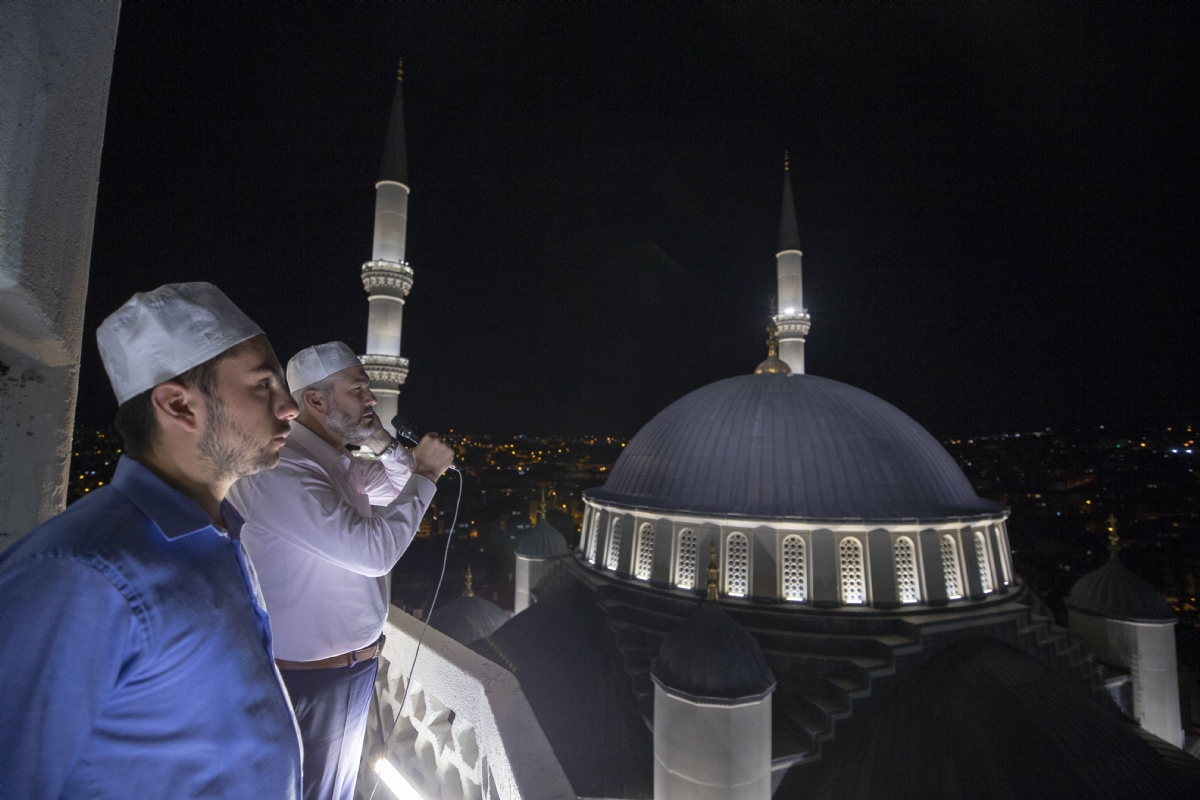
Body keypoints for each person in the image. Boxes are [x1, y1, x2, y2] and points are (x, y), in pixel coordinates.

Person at [0, 282, 303, 799]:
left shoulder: (210, 536)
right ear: (179, 406)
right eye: (263, 386)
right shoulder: (84, 573)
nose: (289, 407)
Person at [227, 341, 454, 800]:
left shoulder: (335, 464)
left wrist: (383, 445)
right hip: (306, 681)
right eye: (358, 389)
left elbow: (394, 486)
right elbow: (373, 551)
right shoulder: (283, 469)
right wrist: (427, 474)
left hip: (344, 673)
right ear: (314, 401)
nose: (371, 399)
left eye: (369, 388)